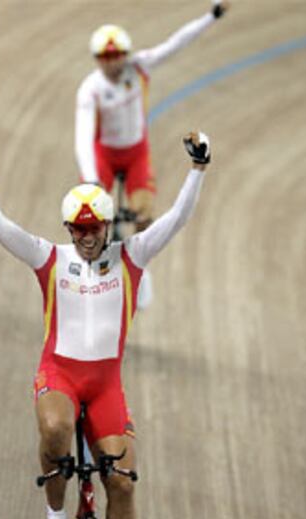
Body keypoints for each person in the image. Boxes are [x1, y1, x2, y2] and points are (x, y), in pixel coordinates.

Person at [0, 130, 211, 519]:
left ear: (107, 226)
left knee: (122, 483)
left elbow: (176, 219)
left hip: (105, 387)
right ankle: (55, 517)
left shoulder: (132, 255)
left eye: (94, 228)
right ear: (68, 230)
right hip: (60, 375)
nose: (87, 238)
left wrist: (197, 170)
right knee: (55, 429)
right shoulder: (50, 258)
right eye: (78, 230)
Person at [75, 1, 229, 309]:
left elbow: (176, 43)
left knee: (144, 216)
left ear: (126, 54)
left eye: (117, 55)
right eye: (105, 58)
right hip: (104, 155)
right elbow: (82, 136)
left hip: (135, 155)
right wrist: (92, 180)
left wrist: (210, 17)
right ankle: (89, 273)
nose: (112, 63)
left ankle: (141, 271)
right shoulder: (90, 89)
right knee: (87, 217)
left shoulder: (140, 66)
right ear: (96, 60)